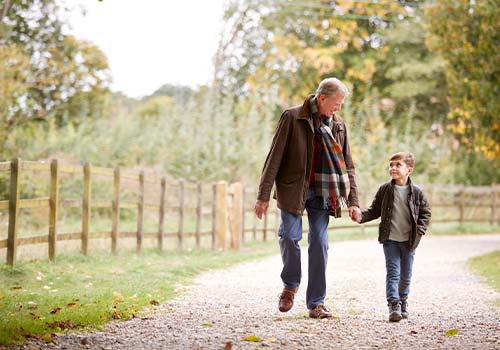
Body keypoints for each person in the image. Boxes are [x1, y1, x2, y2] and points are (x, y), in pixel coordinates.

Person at [254, 77, 360, 319]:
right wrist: (262, 195)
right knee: (290, 237)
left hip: (324, 192)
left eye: (341, 104)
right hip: (293, 188)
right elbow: (274, 158)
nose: (339, 108)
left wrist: (353, 201)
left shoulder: (338, 125)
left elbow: (348, 166)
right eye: (336, 103)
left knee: (320, 244)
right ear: (322, 98)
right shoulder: (293, 118)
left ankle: (316, 303)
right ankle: (290, 286)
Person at [353, 151, 431, 322]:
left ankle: (403, 301)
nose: (393, 168)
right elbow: (374, 210)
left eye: (398, 165)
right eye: (391, 165)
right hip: (390, 239)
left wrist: (420, 231)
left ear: (409, 170)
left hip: (409, 241)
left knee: (406, 274)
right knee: (393, 272)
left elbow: (426, 213)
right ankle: (393, 304)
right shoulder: (385, 190)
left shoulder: (417, 192)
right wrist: (361, 217)